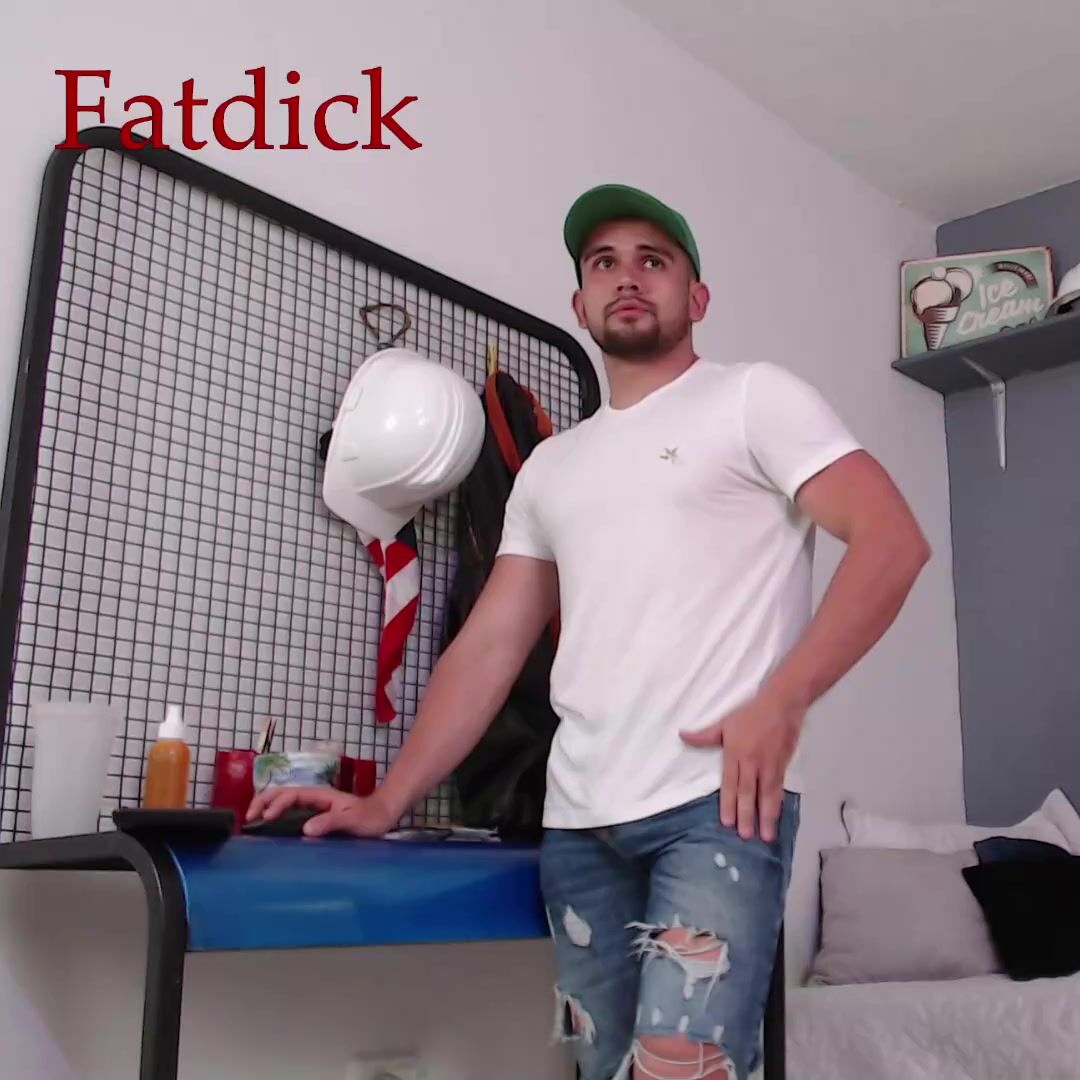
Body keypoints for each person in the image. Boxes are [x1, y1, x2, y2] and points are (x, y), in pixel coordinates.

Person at [250, 183, 931, 1080]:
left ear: (697, 296)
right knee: (602, 1070)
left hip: (716, 810)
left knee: (680, 1068)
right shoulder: (549, 468)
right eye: (604, 263)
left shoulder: (753, 399)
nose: (628, 277)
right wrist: (388, 801)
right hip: (577, 829)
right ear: (580, 303)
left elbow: (892, 543)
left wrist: (783, 700)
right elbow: (489, 648)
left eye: (654, 260)